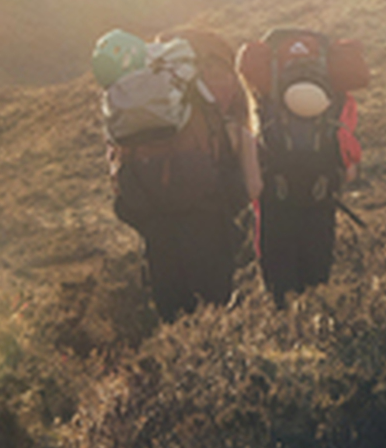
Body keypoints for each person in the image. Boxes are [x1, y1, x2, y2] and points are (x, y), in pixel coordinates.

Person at [99, 25, 256, 319]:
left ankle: (177, 354)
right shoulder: (206, 89)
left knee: (170, 303)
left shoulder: (139, 91)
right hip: (206, 215)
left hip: (153, 215)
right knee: (214, 305)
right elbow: (251, 183)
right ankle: (212, 355)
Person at [236, 28, 368, 302]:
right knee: (317, 276)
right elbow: (348, 151)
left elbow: (249, 130)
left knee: (279, 275)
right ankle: (314, 323)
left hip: (275, 194)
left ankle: (283, 325)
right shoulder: (332, 82)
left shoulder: (266, 81)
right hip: (321, 194)